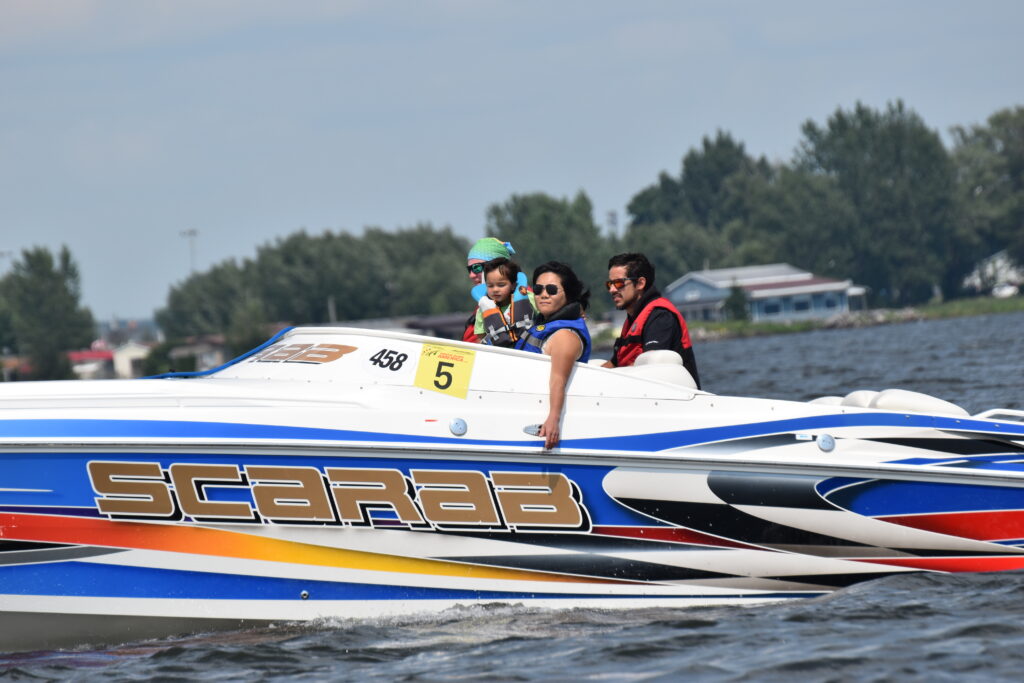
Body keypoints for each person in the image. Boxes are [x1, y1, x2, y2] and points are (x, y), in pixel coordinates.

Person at [515, 262, 592, 449]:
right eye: (539, 289)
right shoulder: (542, 326)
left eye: (551, 289)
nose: (543, 294)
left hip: (540, 413)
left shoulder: (566, 336)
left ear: (569, 295)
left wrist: (553, 419)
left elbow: (558, 379)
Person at [603, 252, 701, 389]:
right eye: (609, 284)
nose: (612, 290)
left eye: (619, 283)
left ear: (640, 283)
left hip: (670, 400)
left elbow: (652, 369)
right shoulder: (633, 319)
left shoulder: (660, 316)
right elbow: (614, 363)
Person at [463, 238, 516, 343]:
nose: (471, 275)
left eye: (476, 268)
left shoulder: (525, 299)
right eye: (469, 269)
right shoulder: (484, 303)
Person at [477, 258, 536, 347]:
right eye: (490, 286)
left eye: (501, 285)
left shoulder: (529, 298)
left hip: (528, 349)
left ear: (513, 285)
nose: (495, 290)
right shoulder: (482, 309)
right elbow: (481, 336)